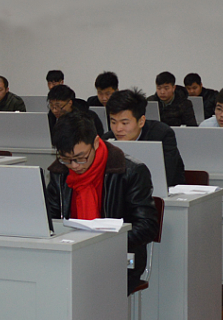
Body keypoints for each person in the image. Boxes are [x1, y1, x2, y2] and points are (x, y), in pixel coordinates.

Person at [44, 113, 159, 287]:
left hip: (118, 258)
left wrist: (101, 244)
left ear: (96, 143)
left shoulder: (130, 171)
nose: (74, 165)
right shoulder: (59, 172)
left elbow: (147, 226)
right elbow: (50, 220)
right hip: (71, 254)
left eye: (81, 157)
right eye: (66, 159)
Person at [104, 89, 186, 187]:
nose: (118, 129)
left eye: (124, 123)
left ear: (141, 121)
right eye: (113, 122)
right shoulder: (106, 140)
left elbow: (167, 175)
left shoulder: (161, 135)